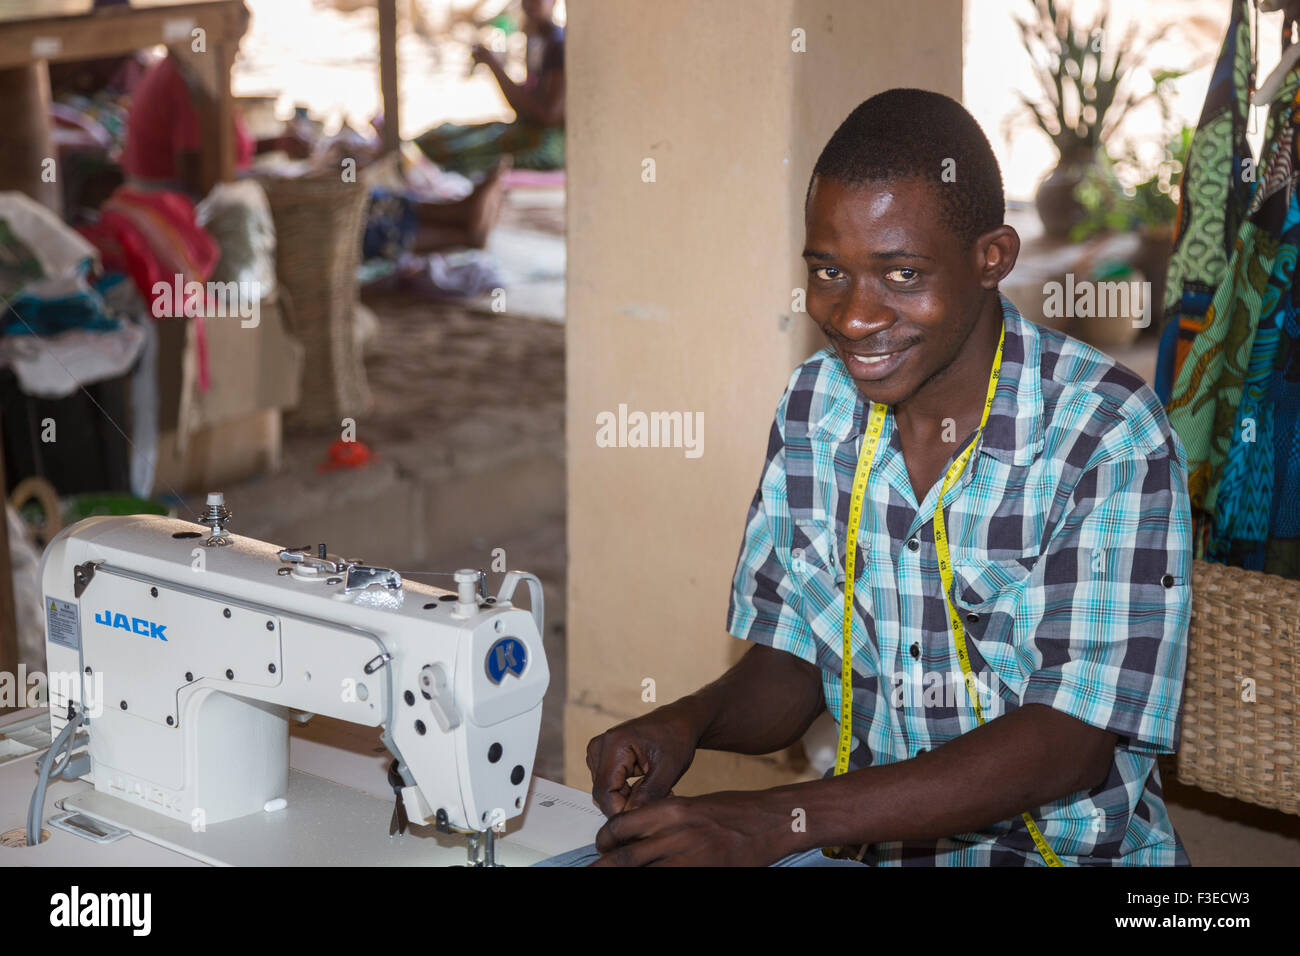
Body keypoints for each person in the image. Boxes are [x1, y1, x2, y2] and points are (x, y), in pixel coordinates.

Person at [542, 89, 1193, 867]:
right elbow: (799, 661)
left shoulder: (1105, 431)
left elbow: (1068, 740)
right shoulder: (818, 406)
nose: (853, 316)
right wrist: (684, 724)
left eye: (902, 274)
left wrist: (772, 821)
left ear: (993, 258)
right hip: (868, 847)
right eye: (829, 272)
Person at [414, 0, 564, 177]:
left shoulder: (558, 44)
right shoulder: (536, 38)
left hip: (548, 144)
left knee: (459, 152)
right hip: (528, 126)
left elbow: (548, 115)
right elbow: (525, 101)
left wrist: (494, 66)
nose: (531, 3)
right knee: (441, 135)